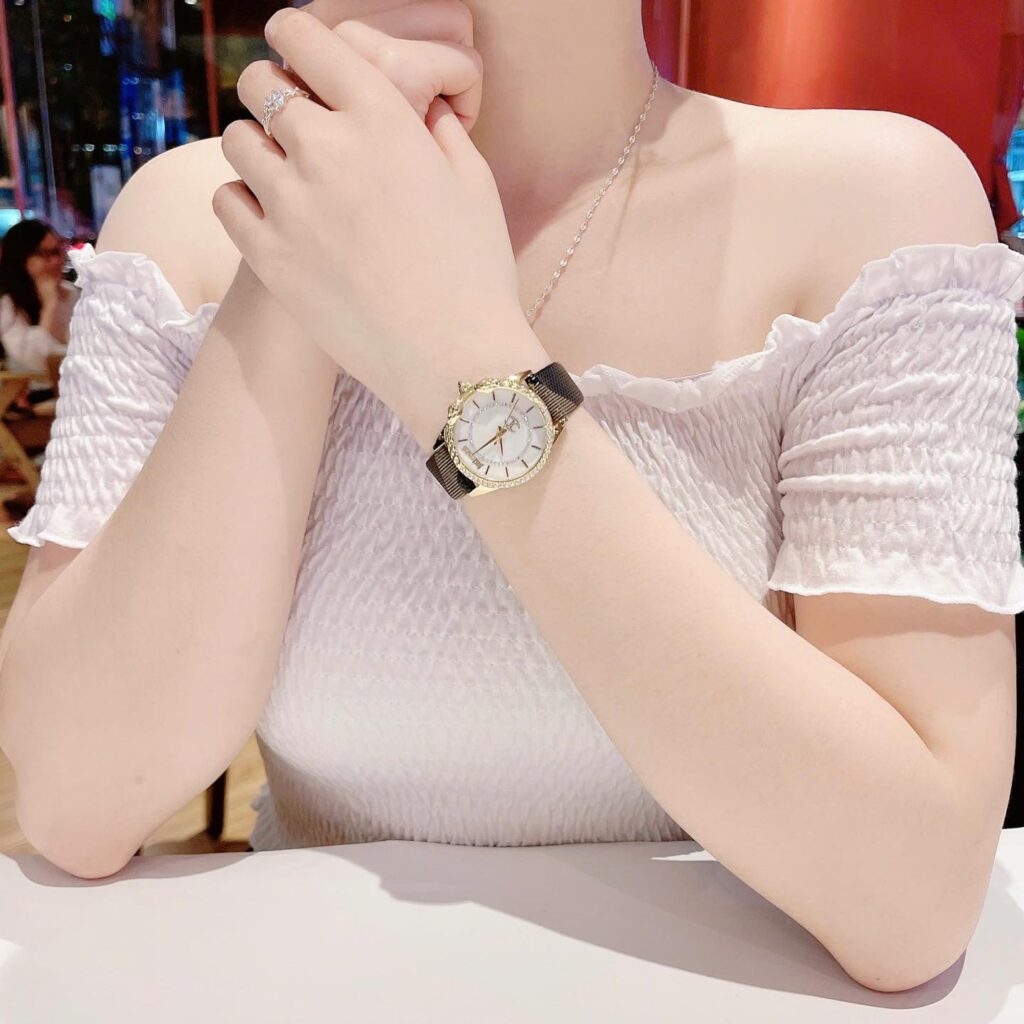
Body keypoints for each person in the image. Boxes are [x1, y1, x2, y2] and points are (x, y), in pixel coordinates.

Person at [0, 0, 1021, 993]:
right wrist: (302, 236)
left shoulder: (872, 210)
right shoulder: (190, 220)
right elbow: (76, 800)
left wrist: (454, 356)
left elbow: (910, 897)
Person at [0, 219, 76, 410]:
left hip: (76, 390)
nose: (56, 261)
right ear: (22, 259)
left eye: (57, 251)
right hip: (33, 400)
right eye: (45, 254)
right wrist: (49, 306)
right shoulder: (8, 304)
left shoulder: (72, 294)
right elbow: (35, 361)